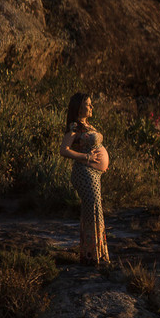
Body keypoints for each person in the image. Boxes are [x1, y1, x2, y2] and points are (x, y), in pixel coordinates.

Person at [59, 92, 111, 265]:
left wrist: (102, 163)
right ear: (79, 107)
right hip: (84, 173)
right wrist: (86, 157)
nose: (91, 107)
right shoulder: (75, 126)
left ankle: (96, 254)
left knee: (96, 211)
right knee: (93, 211)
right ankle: (92, 256)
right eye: (88, 104)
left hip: (94, 174)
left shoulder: (87, 125)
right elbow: (64, 150)